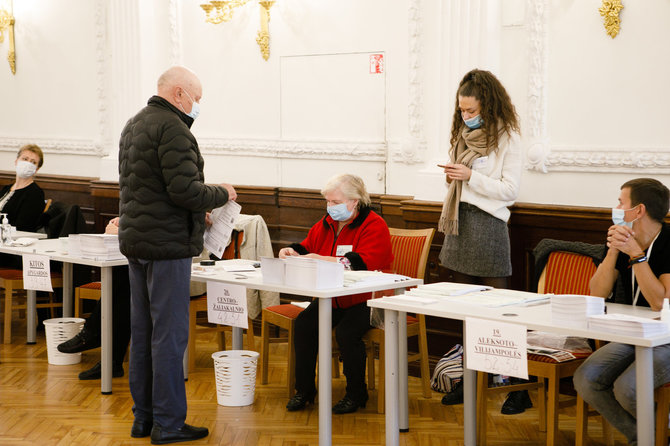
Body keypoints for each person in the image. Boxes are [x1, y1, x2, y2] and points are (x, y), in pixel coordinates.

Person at [118, 65, 236, 444]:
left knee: (144, 332)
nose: (197, 106)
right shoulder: (173, 128)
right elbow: (185, 190)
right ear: (179, 93)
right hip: (166, 247)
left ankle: (144, 418)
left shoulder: (133, 124)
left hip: (137, 242)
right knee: (168, 337)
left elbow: (148, 188)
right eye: (196, 99)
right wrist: (223, 193)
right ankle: (168, 424)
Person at [436, 69, 524, 411]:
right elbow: (458, 187)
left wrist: (470, 176)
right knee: (466, 312)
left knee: (500, 313)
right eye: (462, 110)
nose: (466, 117)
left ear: (488, 104)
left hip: (489, 227)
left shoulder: (508, 139)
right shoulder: (461, 136)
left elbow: (510, 191)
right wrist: (454, 178)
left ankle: (519, 388)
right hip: (461, 225)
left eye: (471, 111)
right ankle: (470, 381)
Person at [279, 173, 393, 414]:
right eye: (328, 202)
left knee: (347, 332)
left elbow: (360, 263)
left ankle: (356, 394)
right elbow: (308, 246)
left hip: (369, 297)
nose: (331, 207)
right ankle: (305, 391)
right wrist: (291, 250)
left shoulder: (374, 224)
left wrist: (319, 258)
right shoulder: (327, 223)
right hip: (334, 296)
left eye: (336, 202)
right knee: (304, 325)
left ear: (355, 201)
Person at [574, 178, 670, 445]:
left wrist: (637, 256)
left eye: (620, 202)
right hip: (634, 331)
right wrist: (614, 252)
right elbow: (596, 293)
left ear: (638, 210)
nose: (615, 207)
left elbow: (661, 304)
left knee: (628, 388)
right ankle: (647, 437)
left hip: (667, 336)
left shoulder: (668, 242)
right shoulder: (621, 237)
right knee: (586, 378)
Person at [56, 217, 131, 380]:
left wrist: (124, 231)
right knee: (121, 279)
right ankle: (109, 359)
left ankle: (93, 337)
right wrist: (123, 223)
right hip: (151, 262)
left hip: (181, 270)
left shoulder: (189, 195)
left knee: (123, 285)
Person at [0, 144, 45, 232]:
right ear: (16, 161)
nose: (28, 164)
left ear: (37, 169)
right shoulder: (7, 189)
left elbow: (23, 228)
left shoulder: (35, 193)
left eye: (33, 162)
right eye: (25, 159)